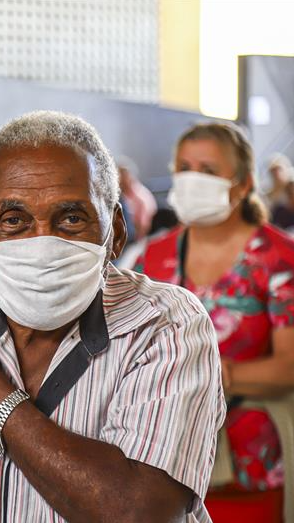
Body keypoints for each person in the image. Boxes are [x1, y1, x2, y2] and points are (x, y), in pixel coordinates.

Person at [0, 111, 225, 522]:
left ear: (116, 232)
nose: (43, 244)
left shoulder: (164, 326)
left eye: (71, 219)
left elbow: (143, 513)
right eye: (14, 220)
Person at [134, 122, 294, 522]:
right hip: (162, 461)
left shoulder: (278, 258)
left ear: (241, 185)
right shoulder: (152, 258)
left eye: (207, 170)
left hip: (251, 465)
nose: (191, 180)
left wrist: (208, 374)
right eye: (184, 168)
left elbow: (289, 366)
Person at [117, 155, 157, 240]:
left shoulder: (140, 198)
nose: (119, 180)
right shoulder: (121, 195)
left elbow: (143, 228)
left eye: (122, 176)